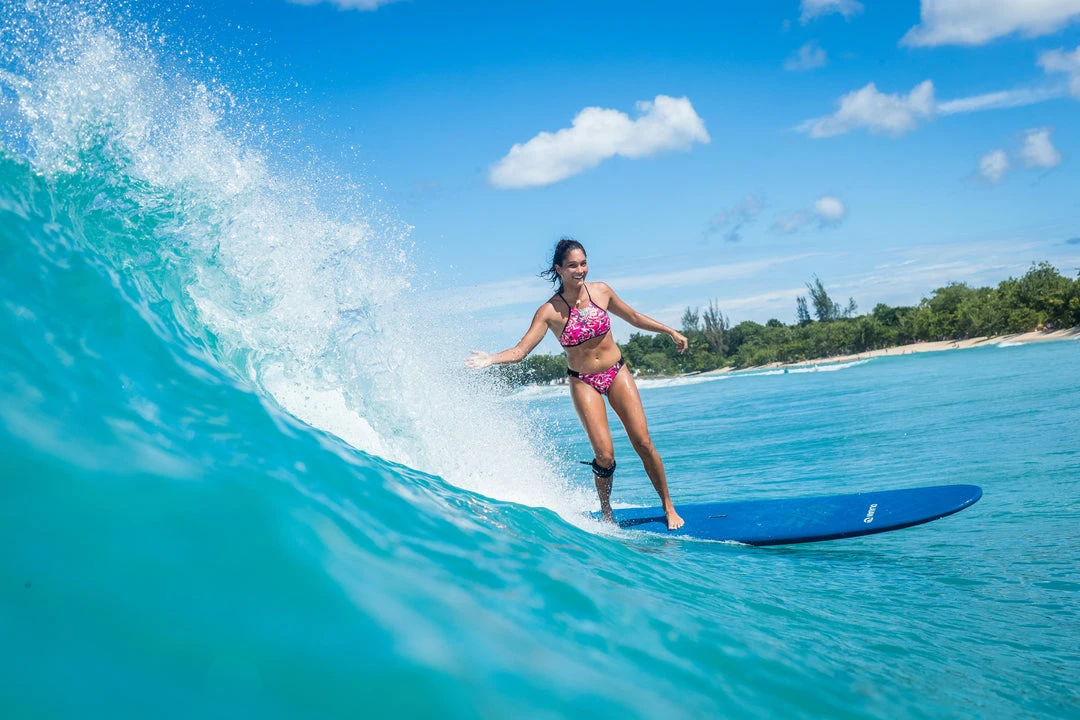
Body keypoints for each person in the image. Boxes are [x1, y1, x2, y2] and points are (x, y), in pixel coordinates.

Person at [465, 238, 687, 530]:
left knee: (643, 443)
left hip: (616, 371)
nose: (580, 270)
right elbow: (521, 351)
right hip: (584, 381)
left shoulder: (602, 291)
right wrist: (492, 358)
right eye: (572, 265)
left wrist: (669, 331)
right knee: (604, 456)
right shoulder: (549, 311)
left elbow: (633, 317)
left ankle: (668, 506)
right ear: (559, 269)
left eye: (583, 263)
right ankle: (606, 512)